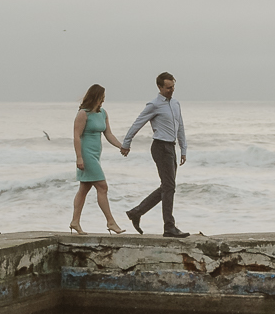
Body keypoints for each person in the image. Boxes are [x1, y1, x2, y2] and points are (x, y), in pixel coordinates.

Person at [116, 71, 188, 236]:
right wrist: (126, 143)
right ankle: (169, 227)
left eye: (173, 87)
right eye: (168, 87)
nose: (171, 90)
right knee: (169, 187)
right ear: (160, 87)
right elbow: (138, 123)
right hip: (160, 147)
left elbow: (181, 127)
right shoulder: (154, 104)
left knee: (166, 186)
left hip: (171, 147)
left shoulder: (176, 104)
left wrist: (183, 149)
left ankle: (137, 212)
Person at [68, 83, 126, 234]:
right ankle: (111, 222)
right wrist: (79, 157)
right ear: (95, 97)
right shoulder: (83, 113)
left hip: (95, 154)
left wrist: (121, 146)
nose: (103, 101)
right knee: (102, 186)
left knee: (84, 188)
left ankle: (75, 222)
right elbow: (76, 136)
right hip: (86, 155)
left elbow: (108, 134)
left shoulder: (103, 113)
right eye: (101, 98)